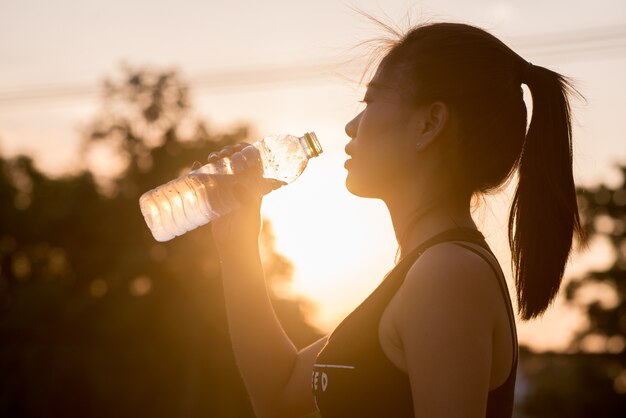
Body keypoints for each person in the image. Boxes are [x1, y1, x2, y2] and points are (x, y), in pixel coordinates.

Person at [207, 22, 586, 418]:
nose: (351, 127)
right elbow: (280, 396)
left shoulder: (448, 274)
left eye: (368, 104)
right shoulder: (422, 272)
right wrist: (237, 247)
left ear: (429, 124)